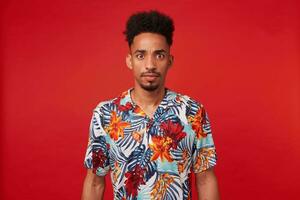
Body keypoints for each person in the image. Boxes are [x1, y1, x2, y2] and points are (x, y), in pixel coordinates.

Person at [81, 10, 220, 200]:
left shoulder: (192, 112)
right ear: (129, 61)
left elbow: (205, 179)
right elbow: (95, 182)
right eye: (140, 55)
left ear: (170, 61)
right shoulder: (106, 115)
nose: (150, 64)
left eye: (159, 55)